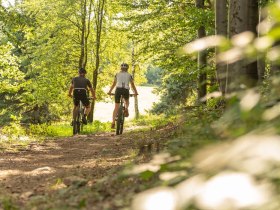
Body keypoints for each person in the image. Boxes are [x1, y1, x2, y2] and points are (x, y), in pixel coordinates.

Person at [107, 63, 139, 129]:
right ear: (127, 68)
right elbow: (132, 85)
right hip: (125, 90)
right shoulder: (129, 75)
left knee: (116, 107)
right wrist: (135, 92)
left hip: (118, 90)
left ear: (121, 68)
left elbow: (114, 84)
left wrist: (110, 91)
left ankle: (113, 122)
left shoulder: (117, 74)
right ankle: (126, 109)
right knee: (127, 101)